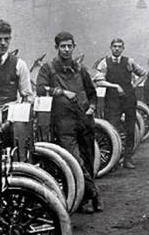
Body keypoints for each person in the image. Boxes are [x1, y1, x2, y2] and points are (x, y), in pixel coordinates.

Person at [35, 32, 102, 213]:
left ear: (74, 47)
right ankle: (92, 194)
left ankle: (86, 198)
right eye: (62, 46)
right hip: (63, 122)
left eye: (69, 46)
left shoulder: (80, 69)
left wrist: (92, 108)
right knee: (74, 160)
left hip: (85, 120)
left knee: (88, 159)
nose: (66, 49)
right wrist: (62, 92)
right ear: (56, 48)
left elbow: (92, 93)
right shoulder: (48, 68)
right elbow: (40, 89)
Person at [93, 38, 148, 169]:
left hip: (129, 99)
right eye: (114, 46)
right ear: (111, 48)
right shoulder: (104, 63)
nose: (117, 49)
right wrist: (114, 86)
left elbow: (143, 73)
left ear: (123, 48)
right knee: (112, 128)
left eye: (119, 47)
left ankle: (128, 158)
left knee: (130, 129)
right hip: (112, 100)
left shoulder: (129, 61)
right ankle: (114, 160)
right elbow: (98, 81)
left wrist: (134, 85)